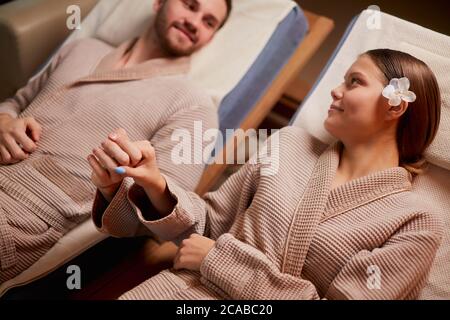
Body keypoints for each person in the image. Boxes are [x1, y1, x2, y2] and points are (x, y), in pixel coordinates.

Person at [0, 0, 232, 283]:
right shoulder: (83, 48)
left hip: (23, 209)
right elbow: (17, 101)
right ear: (159, 3)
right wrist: (5, 121)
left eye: (209, 22)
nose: (194, 23)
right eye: (189, 5)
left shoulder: (194, 106)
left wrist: (126, 186)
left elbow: (174, 221)